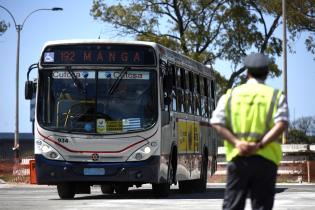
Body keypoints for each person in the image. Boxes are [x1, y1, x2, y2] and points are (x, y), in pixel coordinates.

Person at [210, 53, 289, 210]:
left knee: (232, 205)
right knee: (262, 206)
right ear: (267, 73)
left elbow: (216, 122)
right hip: (266, 159)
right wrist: (259, 145)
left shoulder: (230, 95)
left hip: (238, 158)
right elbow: (282, 124)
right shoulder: (275, 96)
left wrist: (238, 143)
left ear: (247, 73)